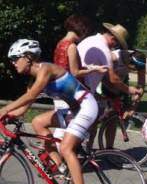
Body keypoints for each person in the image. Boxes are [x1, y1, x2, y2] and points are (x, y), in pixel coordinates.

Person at [0, 39, 98, 184]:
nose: (13, 63)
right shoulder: (34, 79)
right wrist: (7, 116)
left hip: (86, 106)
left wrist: (5, 109)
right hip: (72, 110)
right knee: (38, 122)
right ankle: (60, 166)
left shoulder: (45, 69)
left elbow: (30, 96)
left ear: (28, 57)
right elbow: (23, 109)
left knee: (67, 147)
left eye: (15, 58)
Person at [32, 15, 106, 169]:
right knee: (67, 129)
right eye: (85, 31)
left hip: (59, 91)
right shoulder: (71, 46)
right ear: (82, 29)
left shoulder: (60, 44)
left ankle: (56, 161)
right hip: (70, 92)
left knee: (62, 126)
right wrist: (95, 69)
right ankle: (60, 162)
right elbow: (75, 72)